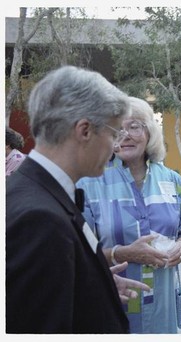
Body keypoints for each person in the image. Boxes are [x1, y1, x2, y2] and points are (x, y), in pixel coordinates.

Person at [6, 65, 151, 333]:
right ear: (84, 130)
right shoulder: (39, 219)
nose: (116, 145)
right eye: (113, 132)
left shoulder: (38, 192)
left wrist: (92, 285)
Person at [77, 96, 181, 333]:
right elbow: (78, 252)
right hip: (114, 304)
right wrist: (121, 253)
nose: (126, 135)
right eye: (117, 128)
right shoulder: (88, 185)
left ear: (149, 133)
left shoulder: (172, 180)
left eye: (134, 126)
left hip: (163, 308)